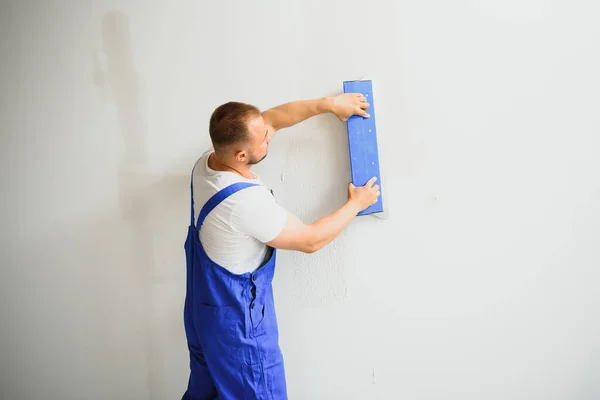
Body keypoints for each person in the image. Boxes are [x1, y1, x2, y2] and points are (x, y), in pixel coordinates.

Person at [182, 93, 381, 399]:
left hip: (204, 315)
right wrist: (356, 204)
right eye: (263, 139)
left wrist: (329, 105)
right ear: (240, 156)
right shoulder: (244, 203)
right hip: (239, 330)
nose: (269, 135)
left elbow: (273, 119)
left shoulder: (207, 163)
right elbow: (311, 240)